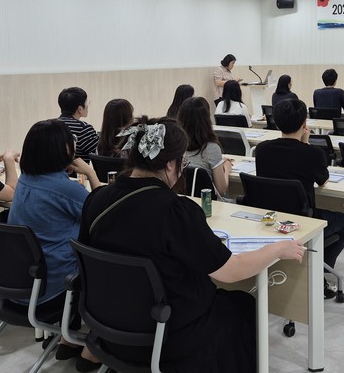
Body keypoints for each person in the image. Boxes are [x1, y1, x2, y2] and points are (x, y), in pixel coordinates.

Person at [78, 116, 304, 372]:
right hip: (168, 335)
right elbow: (231, 271)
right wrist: (277, 248)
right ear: (171, 164)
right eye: (182, 161)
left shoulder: (97, 200)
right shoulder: (174, 211)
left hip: (108, 329)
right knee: (242, 305)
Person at [7, 119, 102, 370]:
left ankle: (68, 339)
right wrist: (91, 173)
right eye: (72, 141)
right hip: (53, 287)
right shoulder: (63, 188)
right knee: (110, 268)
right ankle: (95, 346)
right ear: (63, 149)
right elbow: (103, 212)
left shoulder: (26, 179)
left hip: (21, 281)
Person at [253, 98, 344, 297]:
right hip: (302, 222)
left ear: (276, 123)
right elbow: (323, 181)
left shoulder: (262, 149)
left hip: (271, 219)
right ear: (304, 124)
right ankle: (319, 270)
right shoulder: (312, 153)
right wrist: (305, 144)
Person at [177, 97, 232, 199]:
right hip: (208, 204)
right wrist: (227, 168)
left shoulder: (176, 147)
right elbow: (222, 190)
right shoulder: (211, 148)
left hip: (183, 202)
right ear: (206, 119)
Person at [57, 87, 98, 163]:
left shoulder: (51, 126)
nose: (88, 106)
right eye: (87, 103)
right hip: (77, 170)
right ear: (80, 109)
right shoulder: (84, 128)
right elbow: (100, 154)